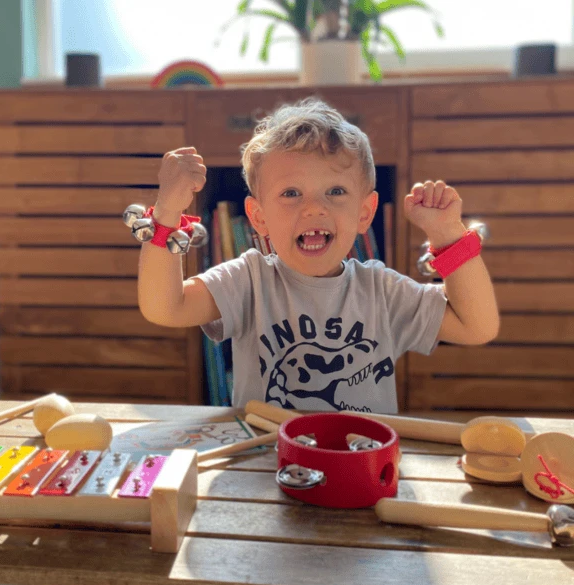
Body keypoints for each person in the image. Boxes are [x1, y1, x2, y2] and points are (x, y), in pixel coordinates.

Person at [137, 98, 500, 413]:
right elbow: (165, 307)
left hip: (362, 462)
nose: (314, 208)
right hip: (268, 462)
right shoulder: (246, 281)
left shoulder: (384, 292)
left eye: (336, 191)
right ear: (258, 217)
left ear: (364, 213)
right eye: (291, 193)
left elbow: (477, 327)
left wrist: (448, 235)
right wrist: (167, 212)